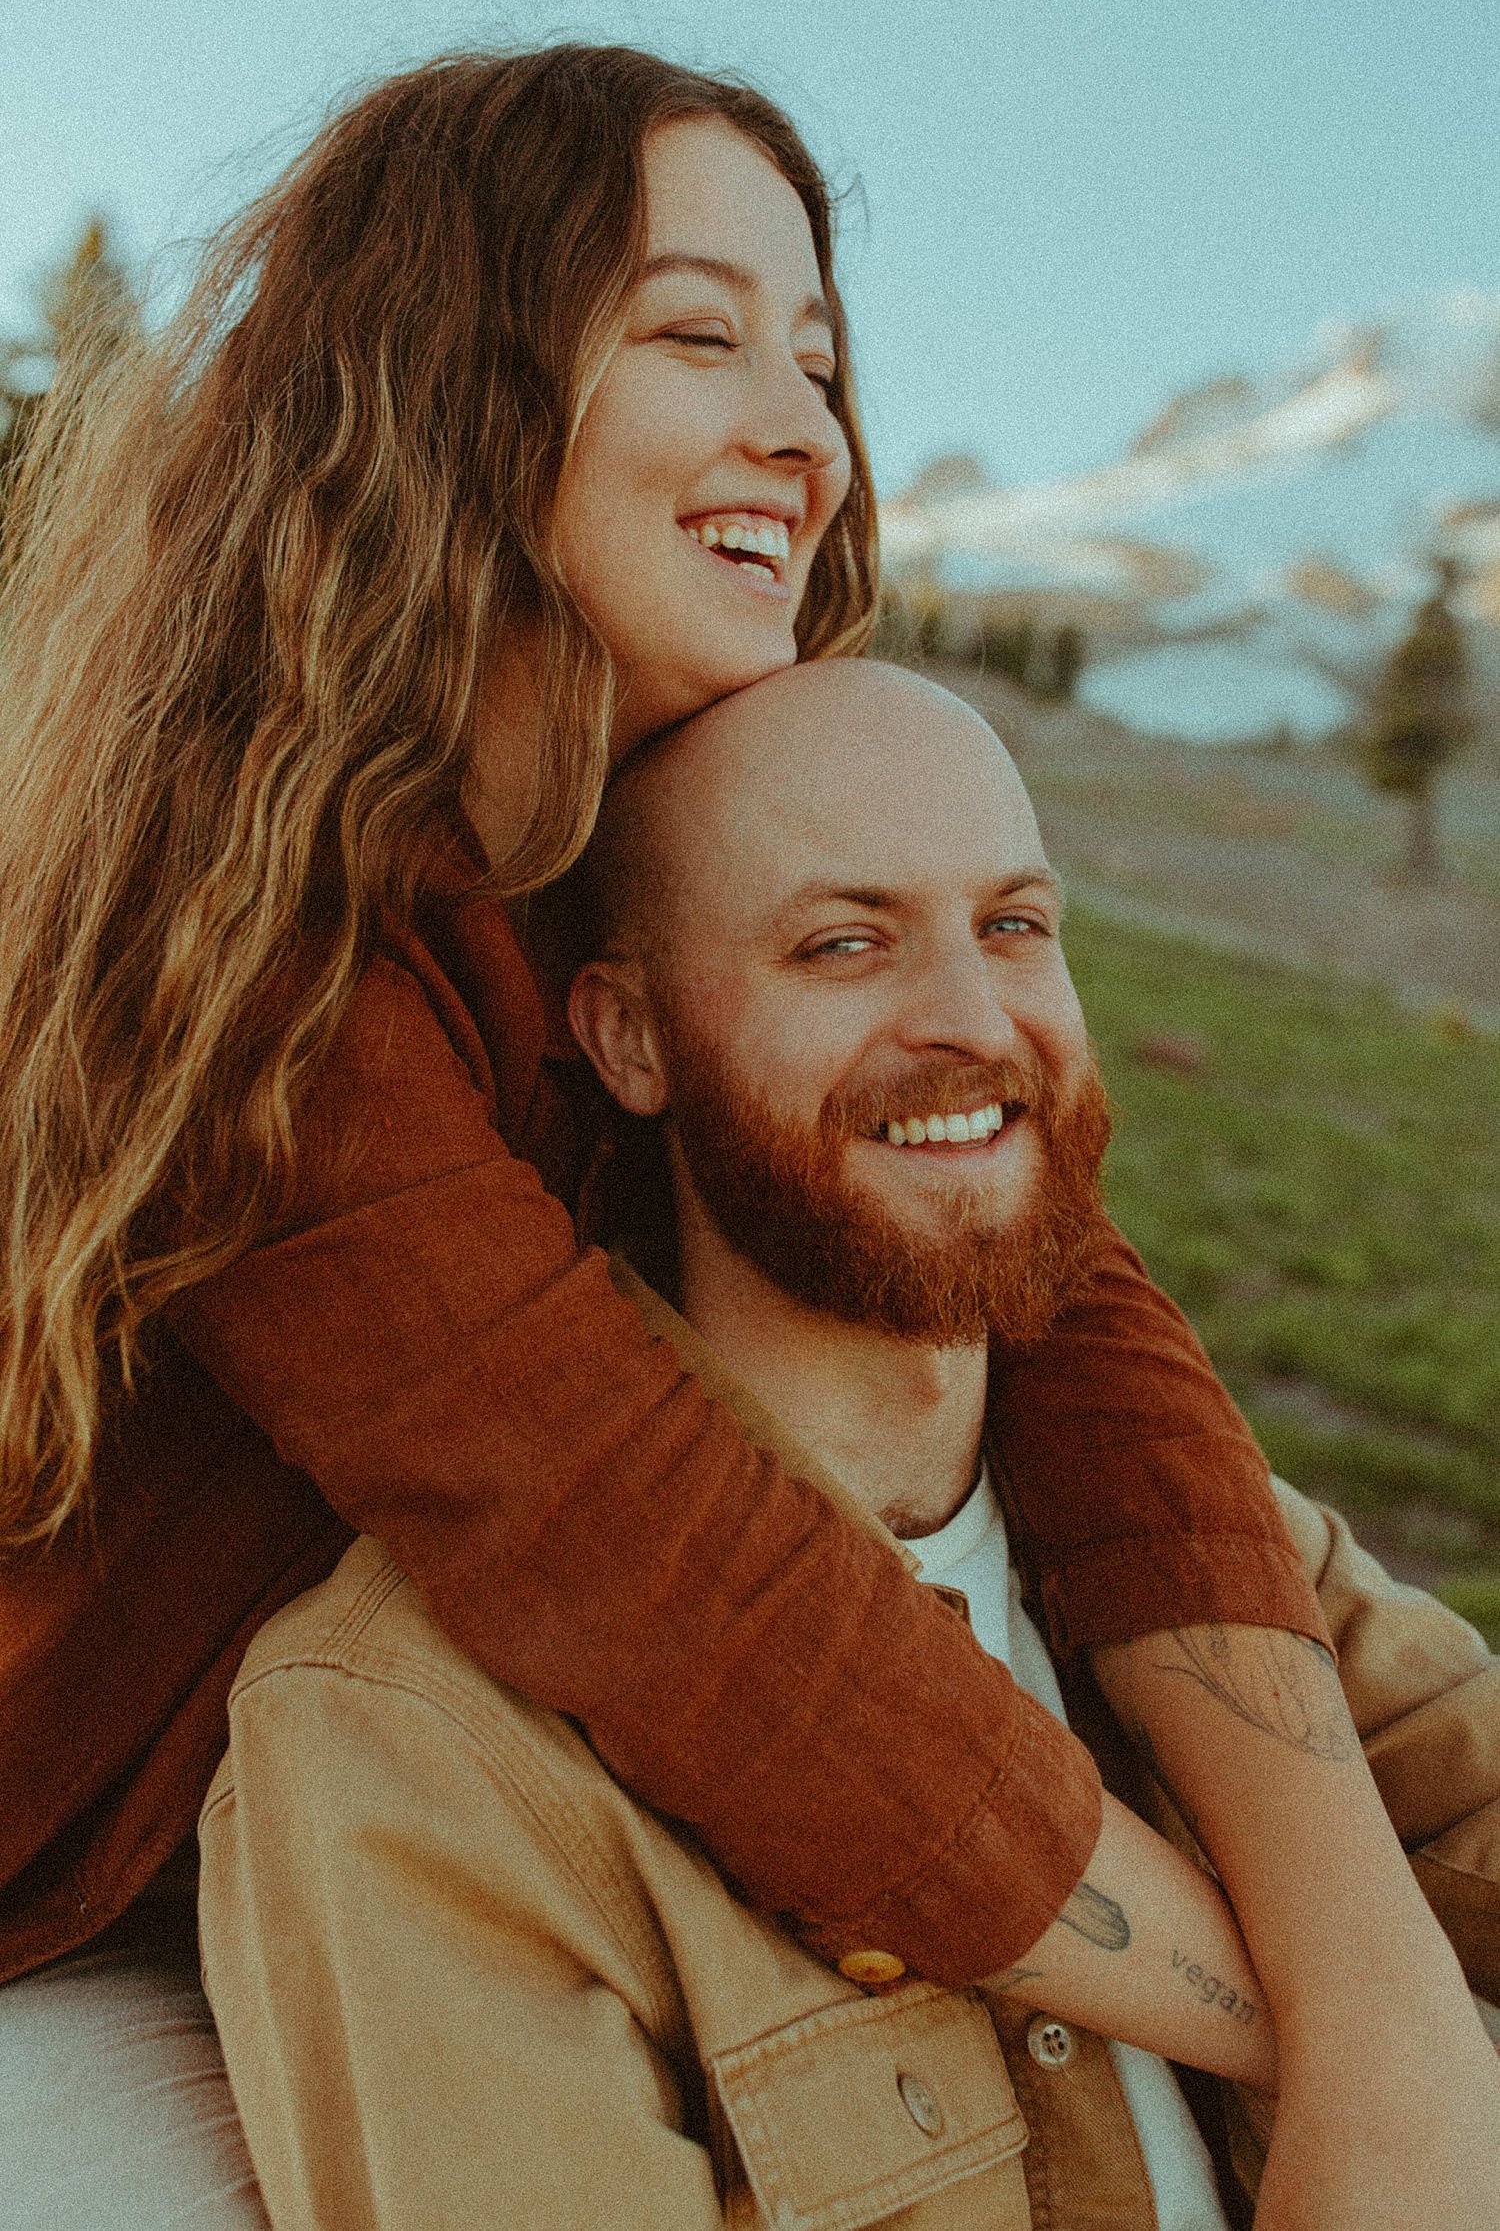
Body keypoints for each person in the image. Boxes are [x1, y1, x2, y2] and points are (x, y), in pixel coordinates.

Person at [0, 46, 1324, 2221]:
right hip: (84, 1919)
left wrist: (1364, 1952)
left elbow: (1067, 1310)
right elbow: (676, 1586)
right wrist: (1324, 2028)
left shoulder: (644, 854)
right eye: (699, 333)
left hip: (417, 1845)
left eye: (817, 355)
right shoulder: (255, 946)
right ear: (447, 387)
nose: (807, 433)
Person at [198, 660, 1500, 2230]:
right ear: (626, 1036)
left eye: (1015, 926)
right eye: (844, 943)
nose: (972, 1020)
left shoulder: (1212, 1562)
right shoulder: (412, 1755)